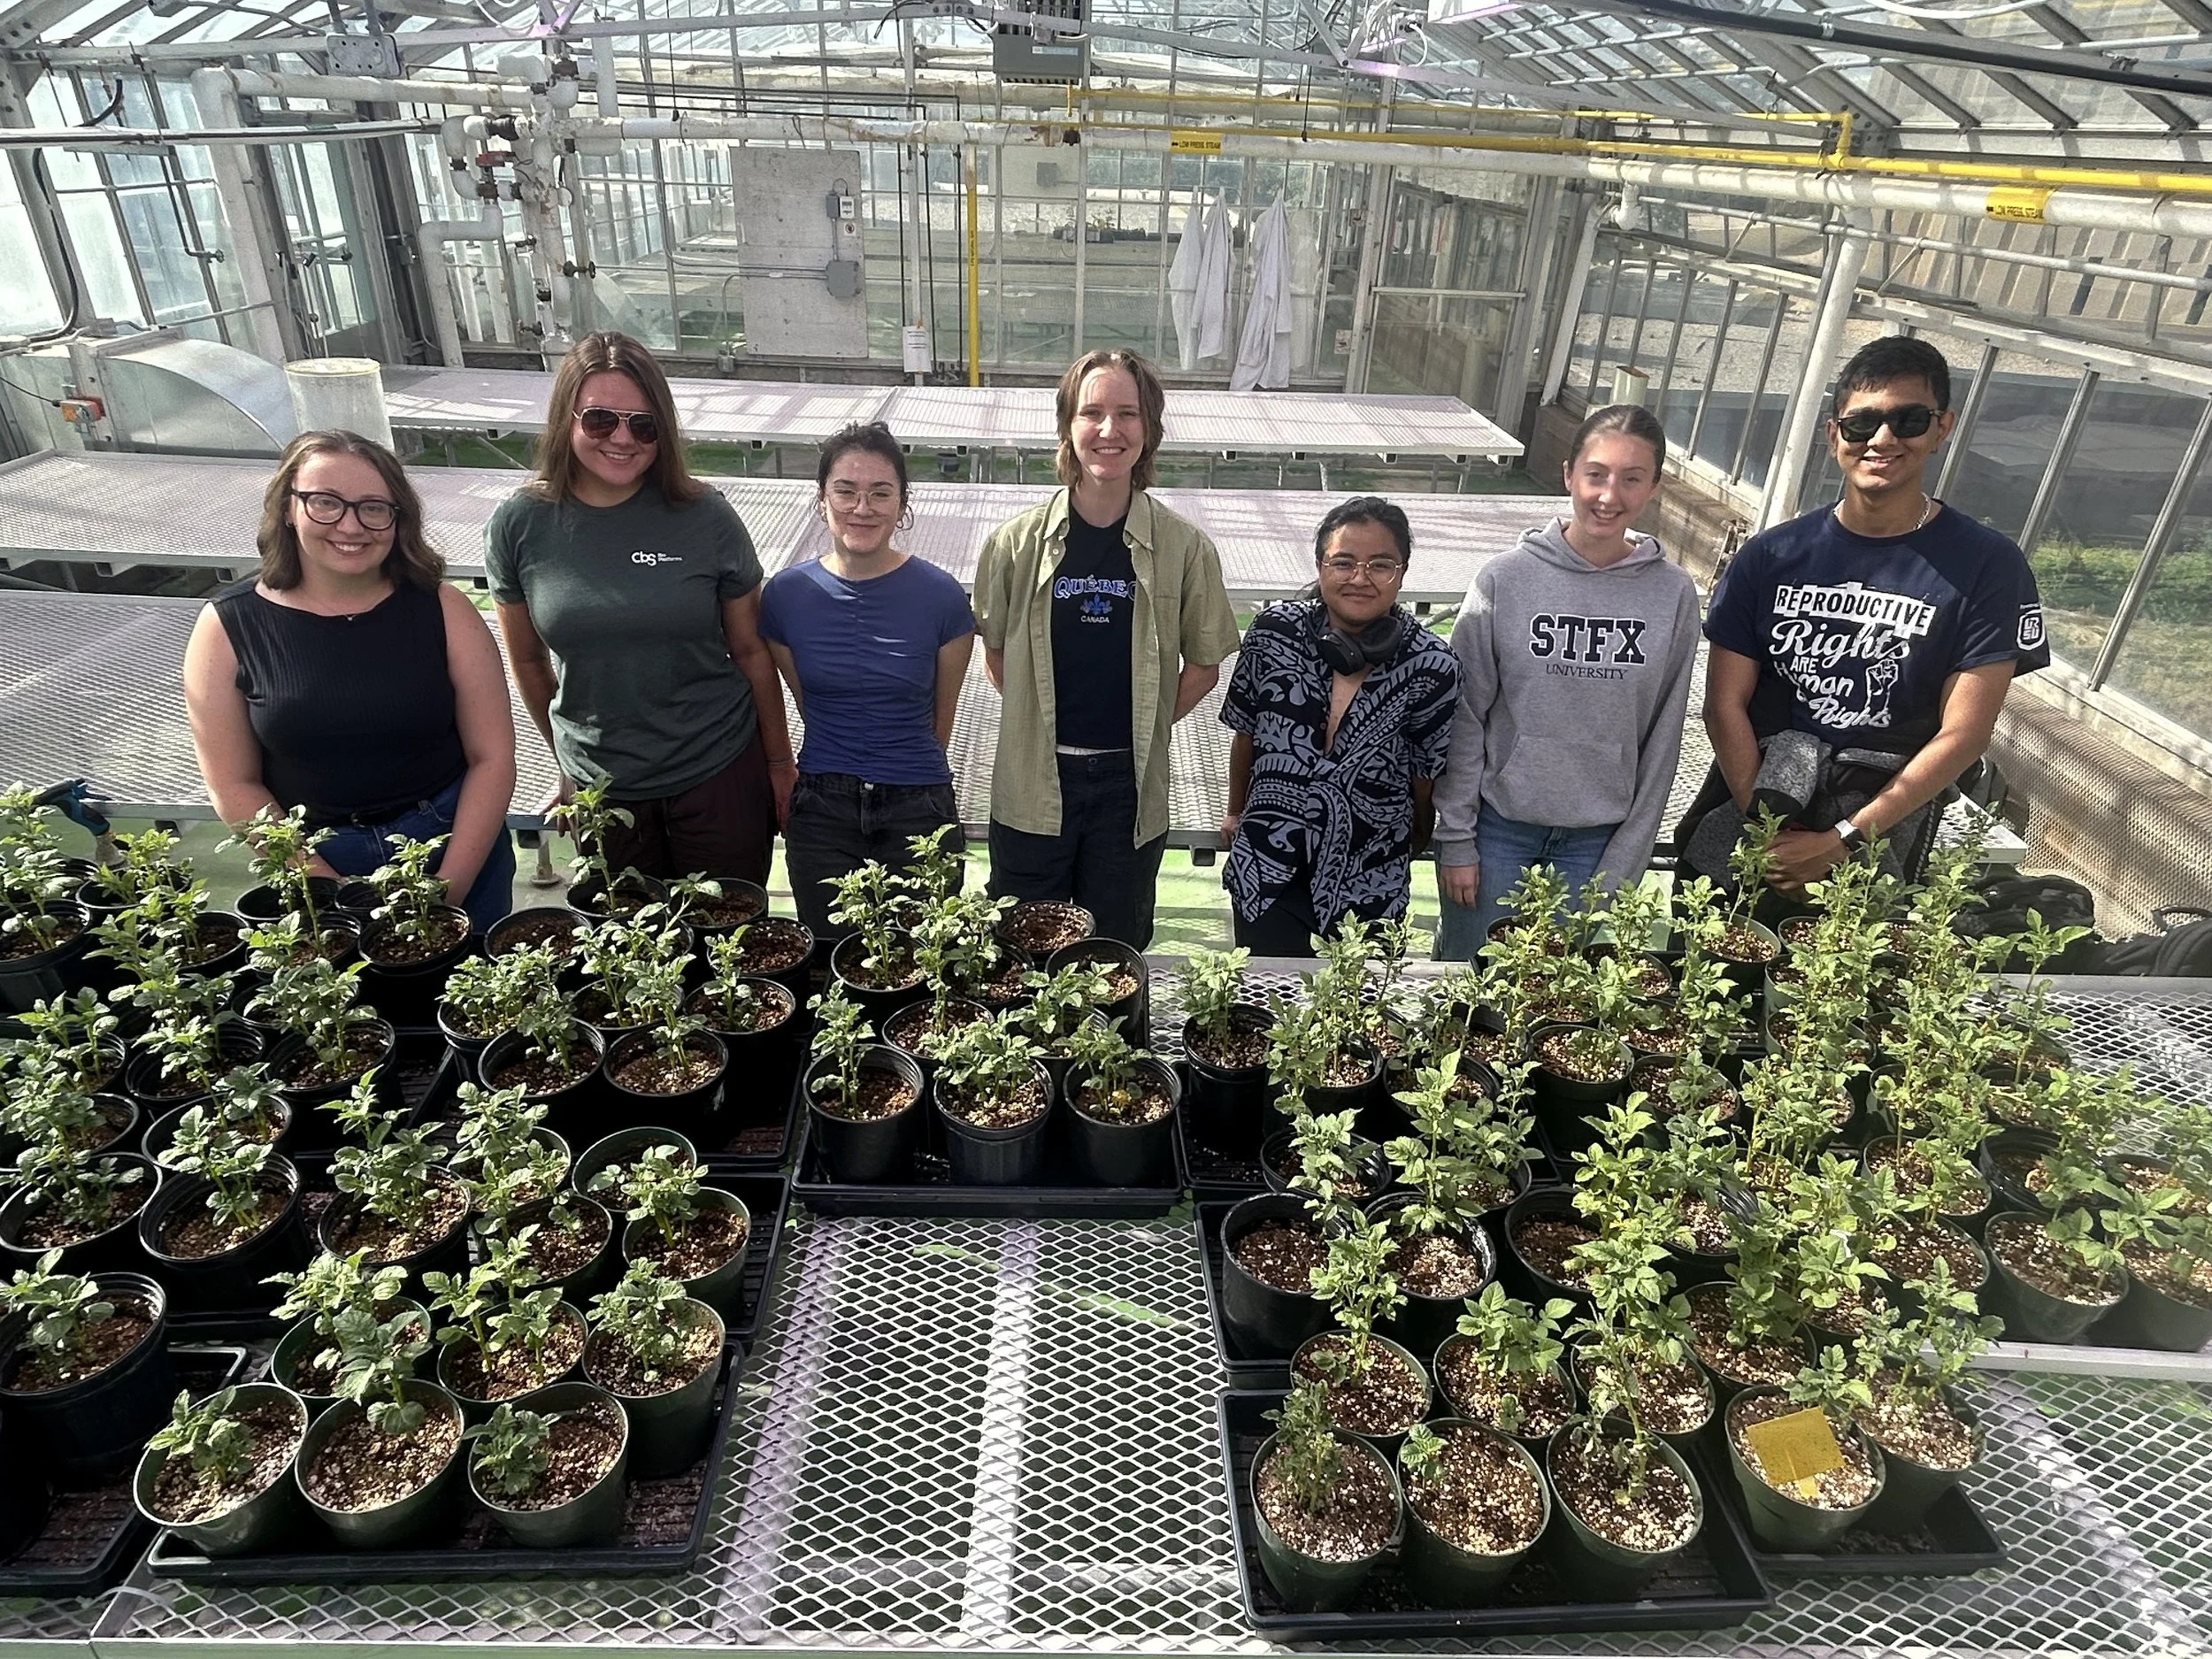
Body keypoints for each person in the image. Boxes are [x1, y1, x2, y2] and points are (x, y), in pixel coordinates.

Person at [1689, 334, 2049, 894]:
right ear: (1835, 435)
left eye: (1908, 420)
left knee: (1852, 968)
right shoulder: (1773, 554)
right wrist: (1768, 832)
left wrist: (1842, 842)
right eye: (1861, 423)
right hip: (1757, 799)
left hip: (1878, 826)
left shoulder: (1987, 566)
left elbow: (1965, 732)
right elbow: (1724, 703)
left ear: (1941, 428)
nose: (1882, 439)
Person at [483, 331, 795, 885]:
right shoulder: (522, 523)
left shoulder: (705, 516)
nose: (623, 439)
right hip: (604, 791)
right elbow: (529, 663)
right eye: (601, 420)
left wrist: (778, 764)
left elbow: (750, 650)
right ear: (566, 420)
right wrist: (567, 762)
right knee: (632, 954)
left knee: (730, 947)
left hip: (716, 771)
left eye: (643, 424)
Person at [182, 430, 518, 934]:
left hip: (454, 842)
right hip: (317, 855)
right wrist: (324, 888)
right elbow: (233, 783)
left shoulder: (442, 608)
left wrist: (448, 891)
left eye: (373, 508)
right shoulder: (228, 626)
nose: (350, 525)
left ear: (398, 519)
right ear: (288, 508)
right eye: (326, 503)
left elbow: (492, 757)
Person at [973, 349, 1240, 948]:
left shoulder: (1184, 549)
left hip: (1128, 787)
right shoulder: (1015, 545)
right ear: (1068, 426)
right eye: (1091, 412)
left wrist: (1142, 723)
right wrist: (1039, 724)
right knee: (1019, 949)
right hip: (1033, 778)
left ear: (1149, 430)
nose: (1109, 430)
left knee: (1113, 954)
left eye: (1128, 413)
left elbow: (1204, 664)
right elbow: (997, 654)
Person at [1432, 405, 1701, 957]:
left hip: (1596, 840)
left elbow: (1664, 736)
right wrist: (1456, 837)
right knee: (1469, 988)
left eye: (1632, 479)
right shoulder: (1505, 578)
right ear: (1568, 474)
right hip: (1498, 830)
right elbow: (1463, 714)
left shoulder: (1672, 594)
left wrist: (1629, 854)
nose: (1609, 495)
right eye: (1596, 474)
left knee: (1552, 1002)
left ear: (1654, 487)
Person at [759, 422, 977, 939]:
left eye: (881, 493)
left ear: (903, 506)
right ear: (821, 500)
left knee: (921, 966)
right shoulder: (786, 597)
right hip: (822, 807)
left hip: (917, 806)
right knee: (833, 965)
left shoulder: (942, 598)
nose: (863, 508)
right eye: (846, 491)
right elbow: (806, 699)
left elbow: (938, 720)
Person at [1220, 497, 1461, 956]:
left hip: (1370, 881)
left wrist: (1402, 850)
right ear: (1320, 565)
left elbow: (1424, 779)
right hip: (1267, 868)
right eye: (1344, 562)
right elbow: (1244, 732)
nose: (1360, 578)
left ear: (1402, 572)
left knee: (1355, 1022)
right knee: (1265, 1015)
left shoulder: (1434, 664)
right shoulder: (1273, 633)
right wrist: (1236, 811)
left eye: (1380, 564)